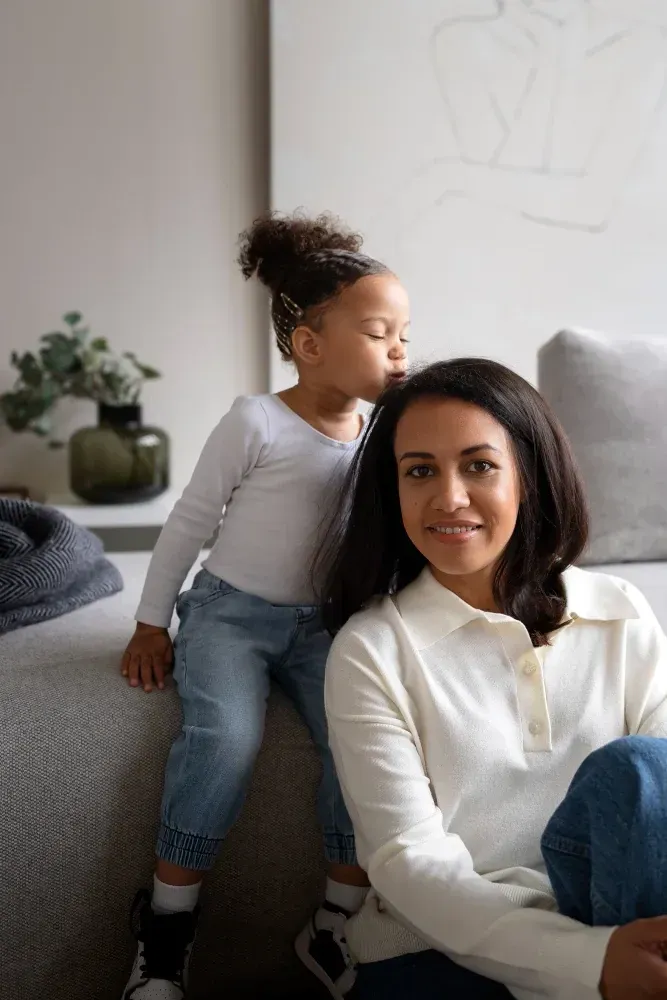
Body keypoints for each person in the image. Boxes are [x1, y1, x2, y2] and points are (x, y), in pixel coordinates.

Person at [118, 211, 410, 1000]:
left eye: (405, 335)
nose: (399, 351)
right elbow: (189, 520)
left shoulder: (385, 435)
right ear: (309, 345)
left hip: (324, 625)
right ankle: (166, 932)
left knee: (361, 745)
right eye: (380, 332)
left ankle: (334, 924)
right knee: (225, 738)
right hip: (230, 614)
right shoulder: (257, 420)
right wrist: (153, 621)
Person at [320, 358, 667, 1000]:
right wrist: (591, 963)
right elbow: (408, 862)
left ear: (528, 478)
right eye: (419, 470)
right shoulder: (371, 651)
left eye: (479, 465)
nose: (449, 497)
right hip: (437, 949)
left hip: (621, 916)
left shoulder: (620, 609)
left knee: (648, 772)